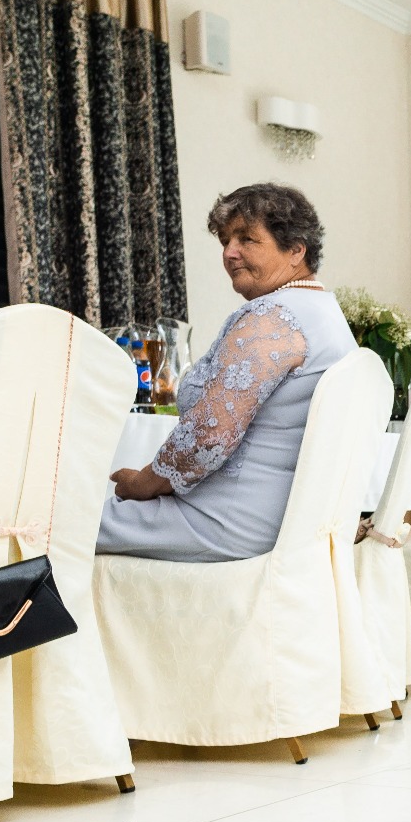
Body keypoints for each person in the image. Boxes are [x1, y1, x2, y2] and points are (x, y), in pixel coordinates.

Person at [99, 184, 355, 563]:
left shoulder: (272, 316)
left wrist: (141, 483)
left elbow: (208, 435)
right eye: (225, 240)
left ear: (296, 250)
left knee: (52, 525)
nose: (229, 252)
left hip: (222, 521)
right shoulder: (328, 316)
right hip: (283, 524)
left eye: (247, 239)